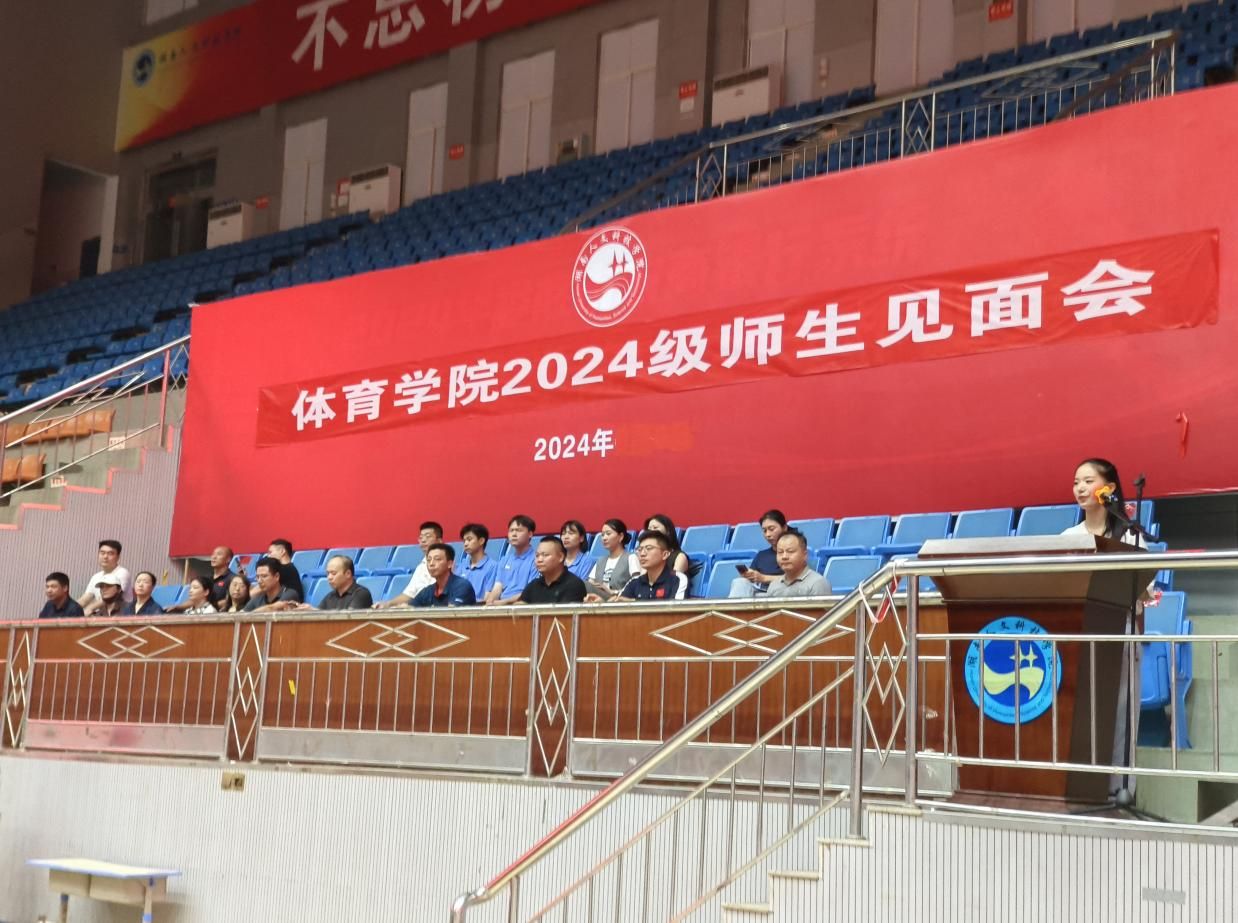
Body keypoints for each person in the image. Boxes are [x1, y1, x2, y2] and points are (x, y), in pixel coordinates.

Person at [1066, 457, 1148, 546]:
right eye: (1076, 483)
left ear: (1110, 488)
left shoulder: (1129, 536)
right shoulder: (1068, 536)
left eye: (1088, 481)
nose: (1080, 488)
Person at [376, 521, 443, 607]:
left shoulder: (445, 564)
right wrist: (388, 604)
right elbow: (409, 594)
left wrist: (412, 606)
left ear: (439, 541)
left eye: (428, 536)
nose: (423, 540)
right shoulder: (421, 567)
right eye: (421, 537)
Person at [729, 510, 790, 598]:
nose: (768, 534)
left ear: (784, 528)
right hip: (758, 592)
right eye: (764, 531)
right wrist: (749, 576)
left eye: (771, 529)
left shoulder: (794, 552)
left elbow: (796, 579)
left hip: (781, 593)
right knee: (740, 582)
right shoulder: (761, 555)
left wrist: (763, 578)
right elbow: (750, 580)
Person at [484, 515, 538, 605]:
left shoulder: (536, 559)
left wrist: (504, 602)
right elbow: (498, 587)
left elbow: (531, 591)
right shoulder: (505, 560)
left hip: (522, 604)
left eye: (519, 530)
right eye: (511, 530)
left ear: (530, 534)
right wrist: (490, 602)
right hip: (501, 604)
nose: (514, 534)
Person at [617, 530, 683, 601]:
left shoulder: (678, 579)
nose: (642, 554)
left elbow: (677, 607)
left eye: (648, 548)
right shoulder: (634, 582)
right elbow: (619, 602)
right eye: (640, 549)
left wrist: (634, 602)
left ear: (665, 555)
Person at [520, 536, 589, 604]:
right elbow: (520, 606)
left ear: (561, 557)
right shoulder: (533, 585)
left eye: (545, 555)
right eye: (537, 555)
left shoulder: (574, 585)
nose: (539, 560)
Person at [766, 530, 832, 597]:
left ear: (805, 555)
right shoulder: (774, 585)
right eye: (780, 552)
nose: (784, 557)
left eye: (790, 551)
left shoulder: (818, 583)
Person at [586, 519, 637, 600]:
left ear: (621, 536)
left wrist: (612, 592)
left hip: (620, 599)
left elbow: (637, 585)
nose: (604, 538)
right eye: (602, 535)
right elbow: (590, 583)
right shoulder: (600, 561)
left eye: (608, 534)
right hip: (599, 599)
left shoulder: (631, 557)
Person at [299, 555, 373, 610]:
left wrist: (315, 611)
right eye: (328, 573)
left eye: (333, 573)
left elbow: (348, 619)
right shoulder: (330, 596)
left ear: (348, 574)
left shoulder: (361, 593)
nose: (329, 577)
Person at [413, 543, 477, 608]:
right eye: (429, 560)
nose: (431, 564)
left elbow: (451, 612)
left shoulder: (462, 586)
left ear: (450, 564)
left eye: (437, 559)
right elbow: (409, 608)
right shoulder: (427, 591)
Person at [79, 539, 133, 615]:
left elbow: (111, 597)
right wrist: (70, 609)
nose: (105, 556)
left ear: (118, 557)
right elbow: (85, 599)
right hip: (101, 614)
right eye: (102, 553)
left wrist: (89, 608)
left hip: (121, 614)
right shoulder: (96, 577)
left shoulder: (123, 573)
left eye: (110, 553)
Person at [455, 523, 499, 599]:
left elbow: (488, 598)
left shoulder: (493, 566)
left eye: (469, 539)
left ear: (481, 541)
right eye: (464, 541)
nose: (465, 544)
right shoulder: (461, 567)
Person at [267, 538, 305, 603]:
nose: (268, 556)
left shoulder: (286, 570)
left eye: (270, 552)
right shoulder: (288, 568)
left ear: (282, 551)